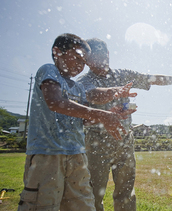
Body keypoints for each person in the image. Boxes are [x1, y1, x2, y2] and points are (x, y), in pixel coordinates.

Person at [17, 33, 136, 211]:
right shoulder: (49, 70)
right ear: (57, 52)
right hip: (48, 155)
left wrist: (110, 113)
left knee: (82, 204)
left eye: (84, 62)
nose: (81, 65)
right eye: (78, 58)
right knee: (43, 204)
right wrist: (101, 115)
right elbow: (55, 102)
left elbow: (85, 118)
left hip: (77, 155)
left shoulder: (78, 87)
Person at [77, 38, 172, 211]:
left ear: (108, 55)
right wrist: (114, 92)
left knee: (126, 193)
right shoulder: (84, 81)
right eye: (91, 58)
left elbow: (151, 79)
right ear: (86, 60)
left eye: (101, 56)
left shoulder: (123, 74)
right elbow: (92, 94)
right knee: (93, 193)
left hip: (125, 140)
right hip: (97, 141)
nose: (97, 62)